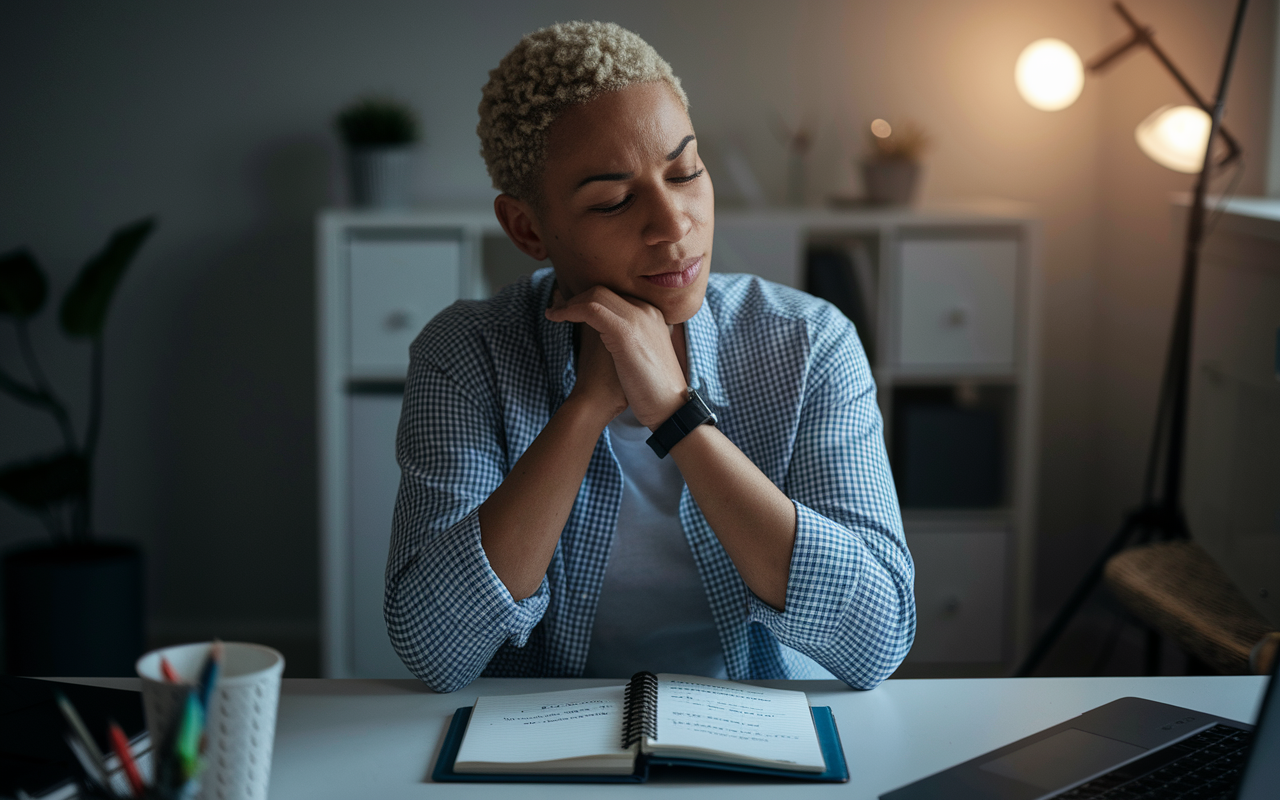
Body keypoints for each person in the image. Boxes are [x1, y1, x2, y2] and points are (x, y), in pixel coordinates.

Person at [385, 20, 914, 693]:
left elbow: (878, 639)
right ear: (526, 228)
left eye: (685, 171)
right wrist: (586, 408)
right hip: (547, 753)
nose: (674, 224)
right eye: (613, 201)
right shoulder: (467, 354)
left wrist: (675, 413)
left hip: (758, 738)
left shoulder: (809, 343)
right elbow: (434, 650)